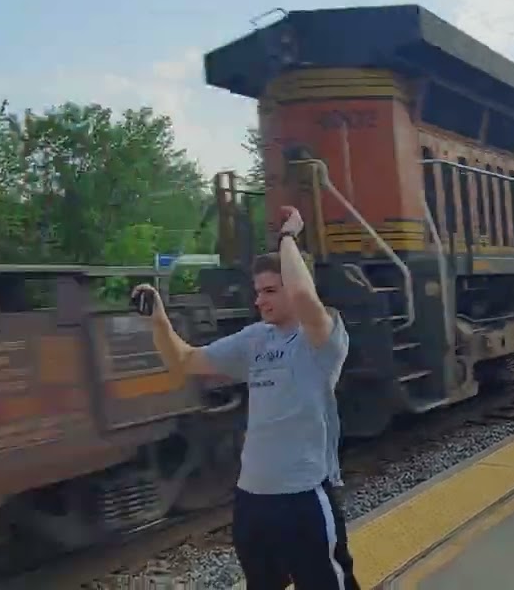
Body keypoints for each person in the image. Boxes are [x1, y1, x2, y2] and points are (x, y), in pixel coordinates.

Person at [131, 206, 362, 589]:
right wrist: (158, 319)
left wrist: (288, 236)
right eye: (258, 292)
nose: (260, 300)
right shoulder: (256, 338)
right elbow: (185, 359)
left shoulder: (322, 339)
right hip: (252, 499)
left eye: (270, 291)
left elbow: (305, 294)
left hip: (303, 497)